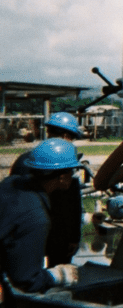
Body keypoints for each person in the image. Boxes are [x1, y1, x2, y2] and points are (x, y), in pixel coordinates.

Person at [0, 139, 81, 294]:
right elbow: (26, 280)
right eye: (72, 171)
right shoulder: (36, 217)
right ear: (63, 177)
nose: (73, 175)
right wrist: (58, 276)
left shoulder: (10, 183)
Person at [10, 112, 84, 267]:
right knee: (55, 276)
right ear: (65, 136)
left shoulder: (26, 159)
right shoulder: (66, 161)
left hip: (27, 230)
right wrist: (74, 237)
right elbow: (72, 204)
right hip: (56, 234)